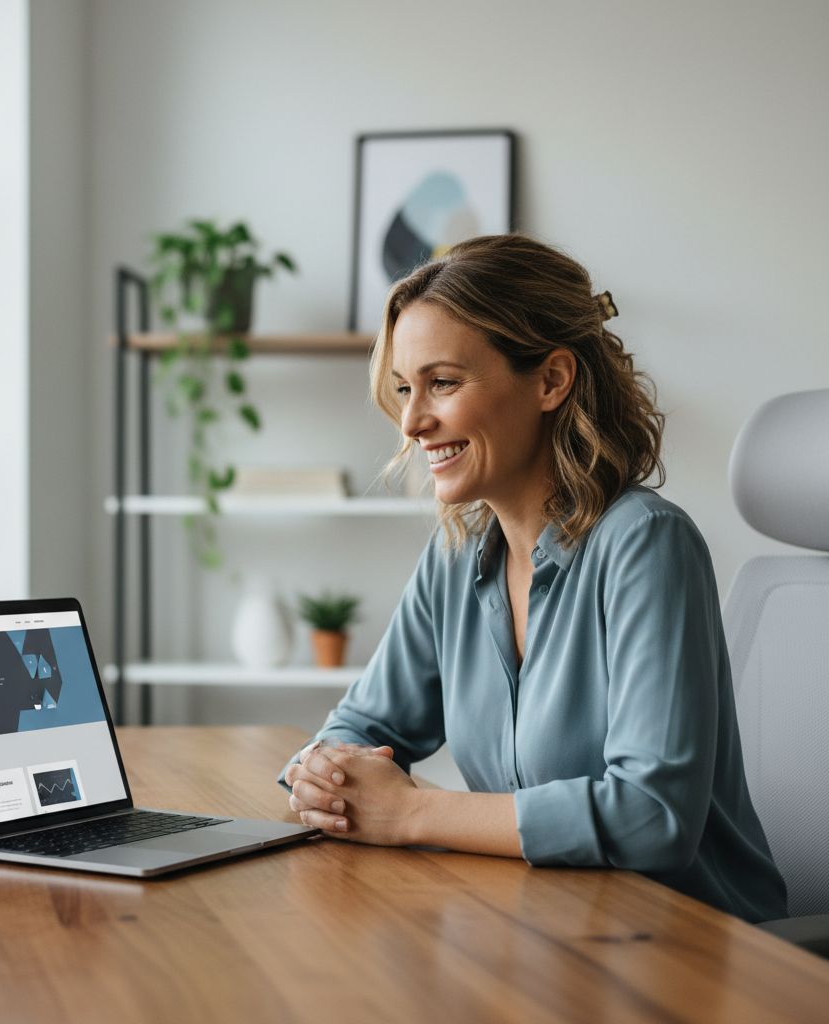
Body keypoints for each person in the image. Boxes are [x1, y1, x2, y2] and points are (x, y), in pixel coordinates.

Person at [281, 234, 786, 923]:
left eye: (443, 383)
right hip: (548, 927)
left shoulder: (646, 545)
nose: (412, 420)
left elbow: (651, 816)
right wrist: (320, 776)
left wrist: (411, 811)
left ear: (551, 380)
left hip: (689, 949)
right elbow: (361, 726)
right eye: (404, 388)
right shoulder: (456, 556)